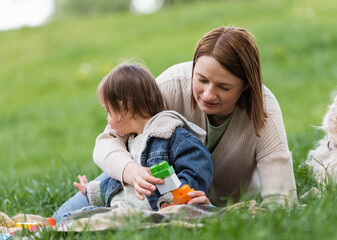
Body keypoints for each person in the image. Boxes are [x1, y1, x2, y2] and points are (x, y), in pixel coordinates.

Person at [53, 26, 297, 222]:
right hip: (149, 194)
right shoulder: (173, 84)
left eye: (223, 87)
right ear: (193, 68)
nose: (208, 94)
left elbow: (282, 201)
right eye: (201, 79)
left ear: (245, 86)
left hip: (215, 207)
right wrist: (131, 171)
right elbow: (109, 140)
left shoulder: (264, 111)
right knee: (58, 222)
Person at [55, 63, 213, 222]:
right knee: (75, 217)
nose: (107, 119)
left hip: (148, 214)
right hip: (122, 211)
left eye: (108, 111)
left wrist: (175, 201)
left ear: (126, 108)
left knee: (80, 220)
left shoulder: (170, 134)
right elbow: (119, 185)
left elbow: (198, 164)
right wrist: (91, 191)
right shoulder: (130, 140)